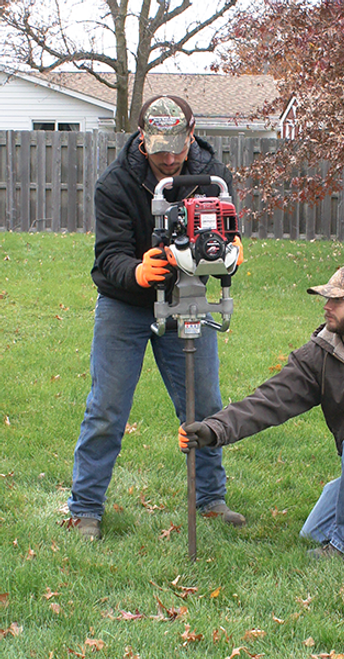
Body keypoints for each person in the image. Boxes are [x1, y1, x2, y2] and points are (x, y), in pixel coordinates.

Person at [68, 95, 246, 540]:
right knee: (107, 408)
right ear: (142, 139)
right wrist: (138, 272)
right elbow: (107, 257)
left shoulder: (212, 177)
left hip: (189, 295)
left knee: (203, 404)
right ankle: (85, 507)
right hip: (124, 304)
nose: (169, 159)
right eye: (159, 148)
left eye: (176, 147)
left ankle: (210, 499)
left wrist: (233, 252)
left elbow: (226, 235)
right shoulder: (116, 182)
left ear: (191, 136)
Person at [179, 264, 344, 558]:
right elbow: (268, 400)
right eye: (326, 298)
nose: (327, 306)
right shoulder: (321, 355)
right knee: (315, 531)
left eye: (338, 301)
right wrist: (214, 429)